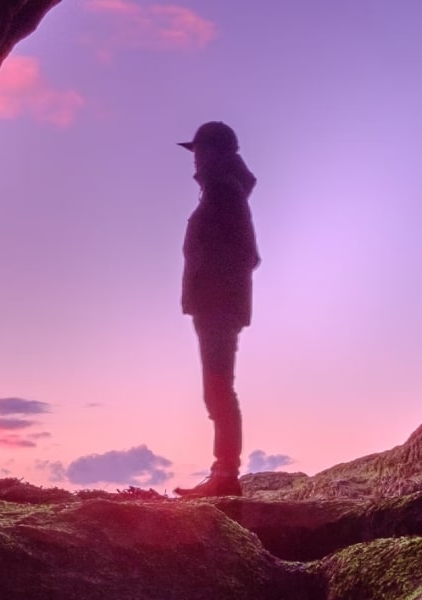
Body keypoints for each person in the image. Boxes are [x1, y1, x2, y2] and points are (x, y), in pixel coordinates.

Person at [174, 121, 260, 498]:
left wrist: (210, 287)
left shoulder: (224, 191)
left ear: (212, 154)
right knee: (218, 387)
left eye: (197, 153)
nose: (193, 162)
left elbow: (245, 254)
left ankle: (225, 477)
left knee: (218, 387)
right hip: (217, 303)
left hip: (217, 305)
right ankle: (224, 474)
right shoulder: (224, 190)